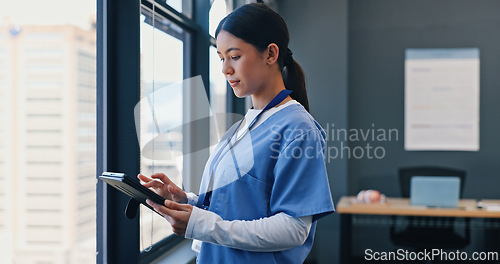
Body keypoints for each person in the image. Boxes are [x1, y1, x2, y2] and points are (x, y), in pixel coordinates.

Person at [138, 3, 334, 263]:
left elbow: (294, 228)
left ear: (271, 54)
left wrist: (203, 225)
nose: (225, 69)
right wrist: (185, 201)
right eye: (221, 58)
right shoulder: (240, 128)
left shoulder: (298, 128)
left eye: (234, 56)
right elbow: (235, 205)